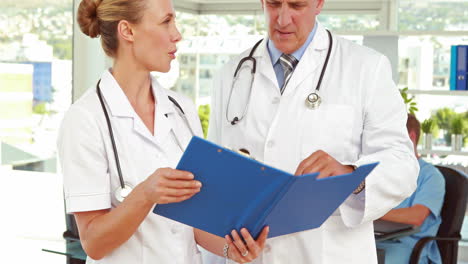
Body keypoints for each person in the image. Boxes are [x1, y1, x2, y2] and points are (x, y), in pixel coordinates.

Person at [206, 0, 419, 263]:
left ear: (319, 3)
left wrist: (351, 176)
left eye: (296, 5)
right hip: (247, 254)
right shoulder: (232, 73)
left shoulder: (366, 67)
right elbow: (215, 172)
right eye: (273, 4)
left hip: (327, 252)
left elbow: (402, 164)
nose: (283, 19)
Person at [57, 0, 268, 263]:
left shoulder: (182, 109)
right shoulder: (85, 119)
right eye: (166, 21)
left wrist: (232, 249)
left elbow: (191, 221)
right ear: (128, 31)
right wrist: (145, 195)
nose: (177, 34)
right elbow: (93, 243)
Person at [377, 114, 445, 264]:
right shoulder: (383, 171)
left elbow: (416, 216)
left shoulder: (431, 176)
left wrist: (373, 211)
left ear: (411, 137)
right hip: (376, 239)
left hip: (408, 246)